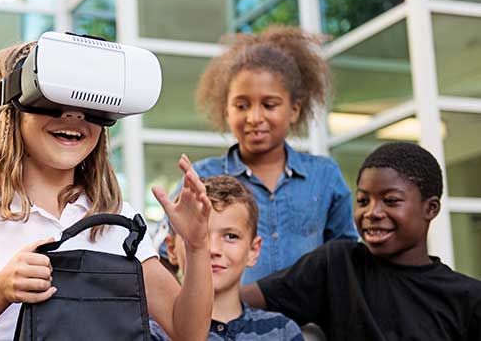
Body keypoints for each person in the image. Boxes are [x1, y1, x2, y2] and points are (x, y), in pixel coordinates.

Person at [0, 42, 214, 341]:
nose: (74, 116)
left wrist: (197, 246)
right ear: (14, 110)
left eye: (90, 104)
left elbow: (187, 331)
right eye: (53, 99)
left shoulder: (119, 219)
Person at [159, 26, 358, 285]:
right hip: (221, 323)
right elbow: (164, 259)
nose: (254, 118)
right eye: (241, 106)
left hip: (308, 325)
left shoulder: (324, 177)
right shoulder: (201, 179)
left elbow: (347, 263)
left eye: (269, 105)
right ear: (226, 110)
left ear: (294, 109)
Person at [241, 142, 481, 341]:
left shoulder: (467, 298)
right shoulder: (337, 265)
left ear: (430, 208)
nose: (372, 212)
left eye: (391, 200)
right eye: (363, 201)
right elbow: (233, 303)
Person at [150, 175, 302, 341]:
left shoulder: (281, 331)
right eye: (198, 236)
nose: (213, 249)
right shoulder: (151, 332)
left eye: (230, 236)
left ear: (253, 250)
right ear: (171, 249)